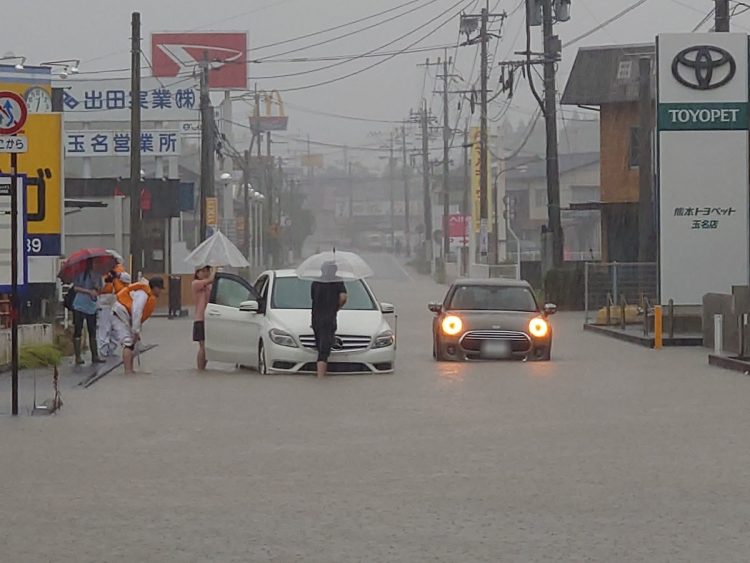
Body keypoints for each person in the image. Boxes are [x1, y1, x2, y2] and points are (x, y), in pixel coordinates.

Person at [112, 277, 165, 374]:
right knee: (128, 342)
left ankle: (131, 370)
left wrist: (137, 331)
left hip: (125, 316)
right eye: (160, 289)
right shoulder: (143, 294)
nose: (160, 291)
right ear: (155, 288)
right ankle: (128, 372)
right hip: (119, 315)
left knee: (134, 343)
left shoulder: (147, 294)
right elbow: (136, 311)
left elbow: (137, 316)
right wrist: (135, 331)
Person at [310, 261, 347, 378]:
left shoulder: (315, 283)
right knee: (324, 351)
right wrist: (337, 307)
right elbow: (343, 297)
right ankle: (321, 378)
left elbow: (313, 299)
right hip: (329, 319)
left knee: (320, 346)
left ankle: (320, 375)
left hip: (316, 319)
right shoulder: (337, 282)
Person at [72, 258, 105, 365]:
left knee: (92, 330)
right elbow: (76, 288)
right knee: (78, 329)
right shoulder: (80, 273)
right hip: (79, 305)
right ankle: (78, 356)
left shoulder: (97, 274)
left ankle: (95, 355)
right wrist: (88, 291)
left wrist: (96, 289)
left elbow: (100, 288)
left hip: (92, 305)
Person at [97, 264, 131, 359]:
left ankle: (111, 348)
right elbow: (98, 285)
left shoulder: (119, 270)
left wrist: (117, 275)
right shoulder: (100, 271)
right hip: (104, 301)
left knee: (116, 328)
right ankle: (103, 350)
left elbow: (128, 279)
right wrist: (107, 279)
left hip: (117, 301)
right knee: (104, 327)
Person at [192, 265, 215, 370]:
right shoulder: (196, 283)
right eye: (203, 271)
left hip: (209, 318)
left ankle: (203, 369)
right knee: (203, 346)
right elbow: (210, 280)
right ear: (197, 273)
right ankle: (200, 369)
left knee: (207, 346)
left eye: (208, 270)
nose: (206, 273)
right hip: (200, 319)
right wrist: (215, 270)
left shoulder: (209, 286)